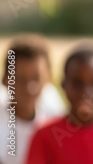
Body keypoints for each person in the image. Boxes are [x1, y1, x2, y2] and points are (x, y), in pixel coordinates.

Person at [0, 34, 65, 164]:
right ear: (6, 80)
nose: (29, 88)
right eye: (20, 79)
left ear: (48, 79)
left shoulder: (55, 111)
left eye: (36, 78)